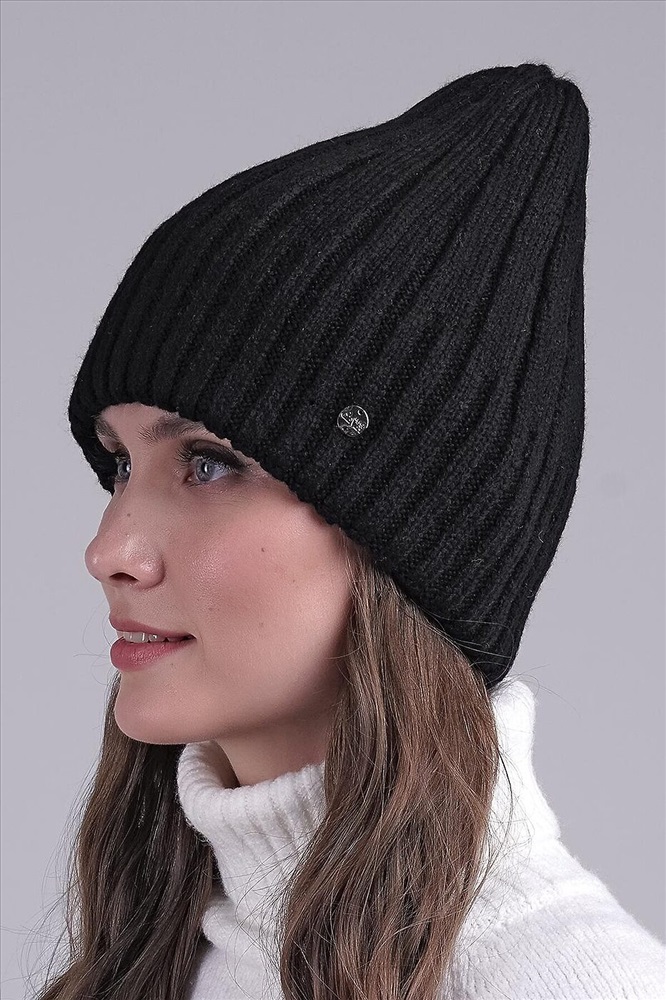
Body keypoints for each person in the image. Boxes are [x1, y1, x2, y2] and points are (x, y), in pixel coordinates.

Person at [33, 62, 665, 999]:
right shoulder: (168, 954)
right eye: (121, 464)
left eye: (208, 463)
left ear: (410, 540)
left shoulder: (571, 983)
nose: (108, 551)